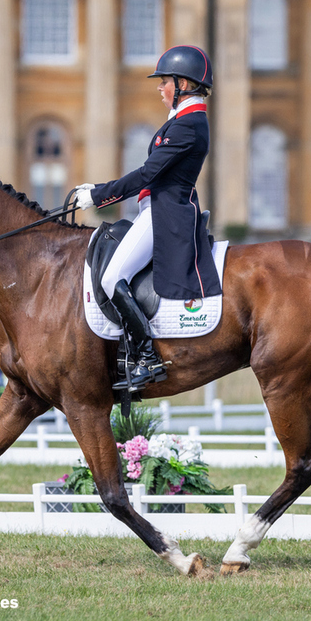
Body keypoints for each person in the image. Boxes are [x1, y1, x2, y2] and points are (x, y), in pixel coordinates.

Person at [75, 45, 223, 391]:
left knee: (112, 278)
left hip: (165, 213)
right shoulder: (182, 121)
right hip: (156, 209)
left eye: (164, 82)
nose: (159, 89)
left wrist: (98, 195)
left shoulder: (188, 124)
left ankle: (147, 356)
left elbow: (147, 174)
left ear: (183, 83)